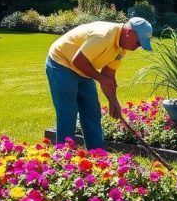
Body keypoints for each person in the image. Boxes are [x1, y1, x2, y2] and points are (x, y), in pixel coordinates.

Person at [45, 17, 153, 149]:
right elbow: (78, 61)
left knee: (92, 112)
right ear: (129, 32)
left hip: (84, 68)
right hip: (61, 63)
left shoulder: (121, 48)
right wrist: (100, 78)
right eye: (138, 43)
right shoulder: (103, 36)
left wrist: (113, 101)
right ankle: (64, 156)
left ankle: (97, 156)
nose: (138, 47)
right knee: (68, 112)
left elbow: (108, 76)